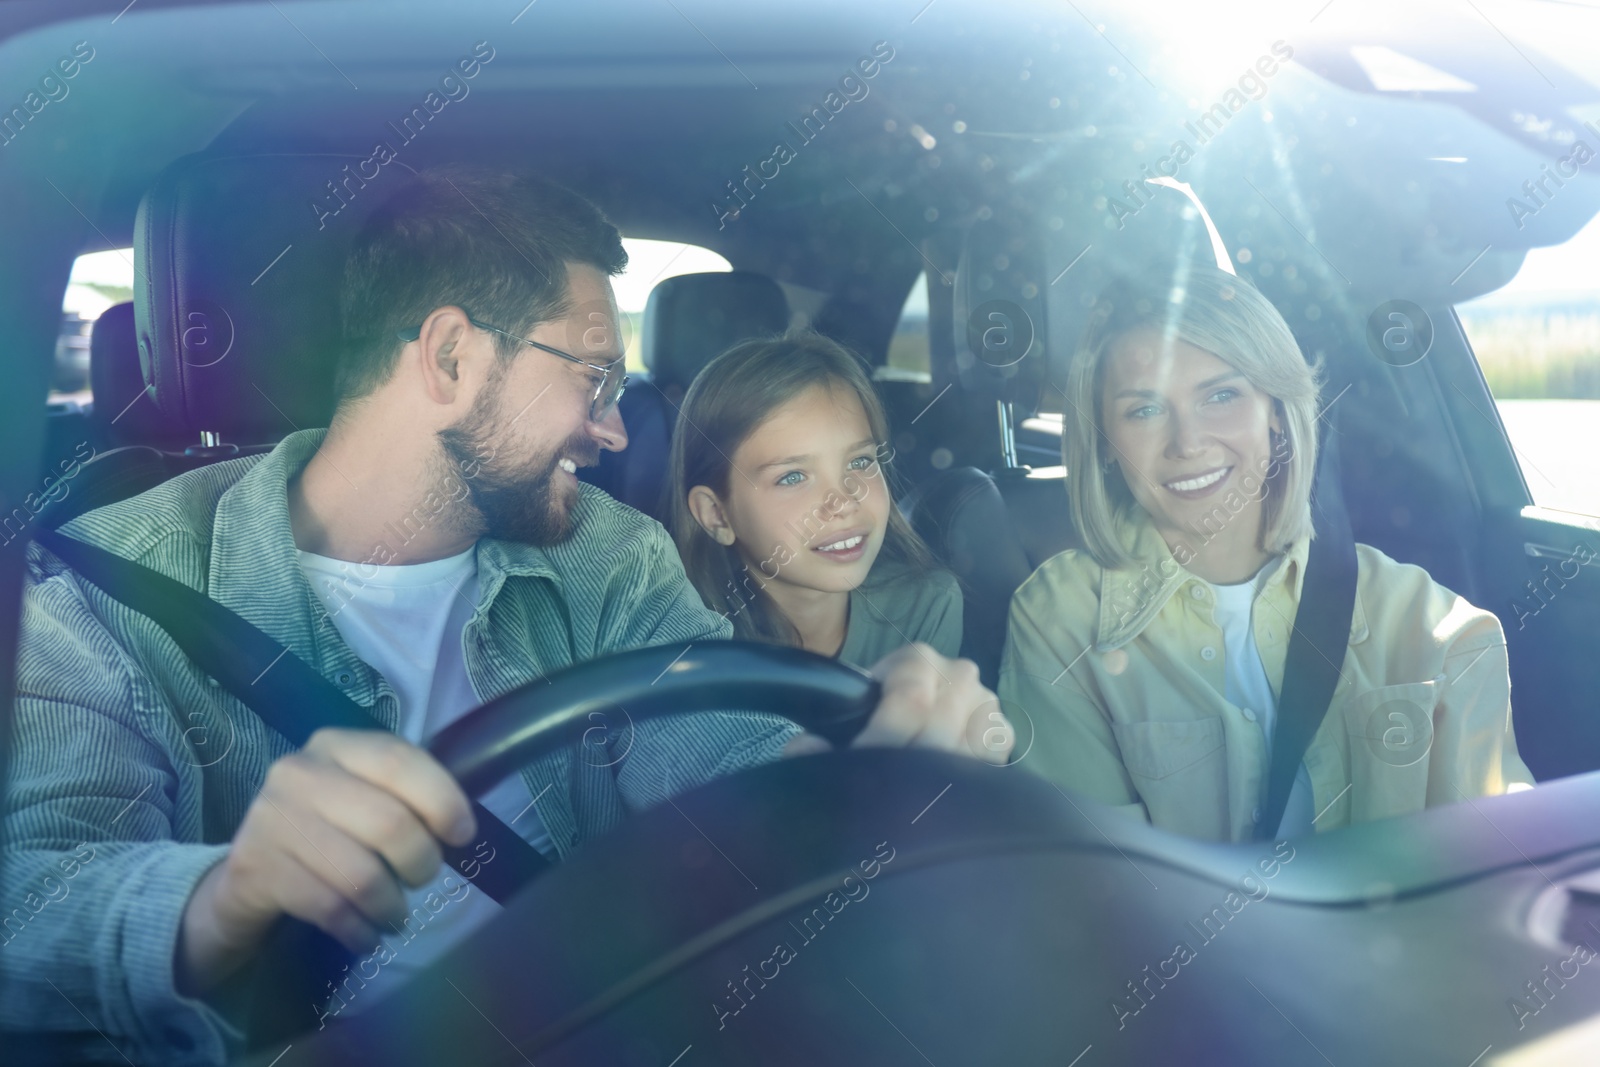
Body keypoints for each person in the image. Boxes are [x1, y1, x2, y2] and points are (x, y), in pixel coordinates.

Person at [1, 166, 1008, 1065]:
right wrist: (222, 896)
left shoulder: (607, 553)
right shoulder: (105, 590)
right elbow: (26, 908)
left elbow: (711, 749)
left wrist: (861, 769)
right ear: (448, 358)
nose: (615, 428)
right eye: (593, 376)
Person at [999, 265, 1532, 843]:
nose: (1188, 443)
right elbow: (1098, 881)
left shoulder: (1436, 627)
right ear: (1104, 440)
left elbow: (1490, 864)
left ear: (1277, 412)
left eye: (1221, 395)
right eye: (1145, 410)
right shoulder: (1059, 619)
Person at [668, 331, 961, 670]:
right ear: (717, 515)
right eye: (792, 477)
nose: (844, 501)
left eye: (860, 462)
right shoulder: (687, 642)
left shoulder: (926, 608)